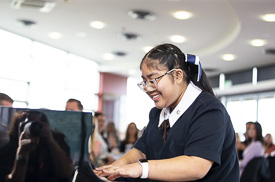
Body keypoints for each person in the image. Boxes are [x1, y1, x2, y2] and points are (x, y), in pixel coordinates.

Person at [95, 43, 239, 181]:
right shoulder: (158, 113)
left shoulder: (208, 110)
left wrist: (140, 168)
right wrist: (113, 169)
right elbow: (141, 150)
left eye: (153, 80)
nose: (147, 88)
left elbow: (197, 166)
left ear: (177, 76)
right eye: (144, 81)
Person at [0, 110, 73, 182]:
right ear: (19, 127)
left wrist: (51, 141)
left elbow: (66, 173)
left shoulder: (57, 141)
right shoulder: (10, 149)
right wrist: (22, 153)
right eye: (29, 123)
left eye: (38, 123)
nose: (34, 127)